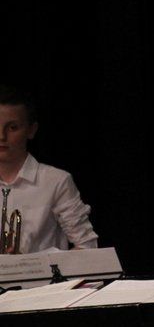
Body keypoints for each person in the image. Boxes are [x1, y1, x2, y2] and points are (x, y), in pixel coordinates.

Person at [0, 84, 98, 253]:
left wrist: (33, 265)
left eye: (12, 127)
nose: (1, 136)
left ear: (31, 130)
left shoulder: (56, 181)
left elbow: (87, 247)